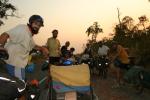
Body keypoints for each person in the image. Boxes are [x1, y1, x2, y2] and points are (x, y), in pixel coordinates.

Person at [0, 15, 49, 100]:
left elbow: (33, 46)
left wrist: (42, 48)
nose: (37, 26)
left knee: (14, 89)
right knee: (21, 90)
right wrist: (0, 46)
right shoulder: (23, 29)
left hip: (18, 67)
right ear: (30, 22)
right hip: (14, 65)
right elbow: (5, 34)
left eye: (39, 25)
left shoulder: (29, 35)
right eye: (35, 23)